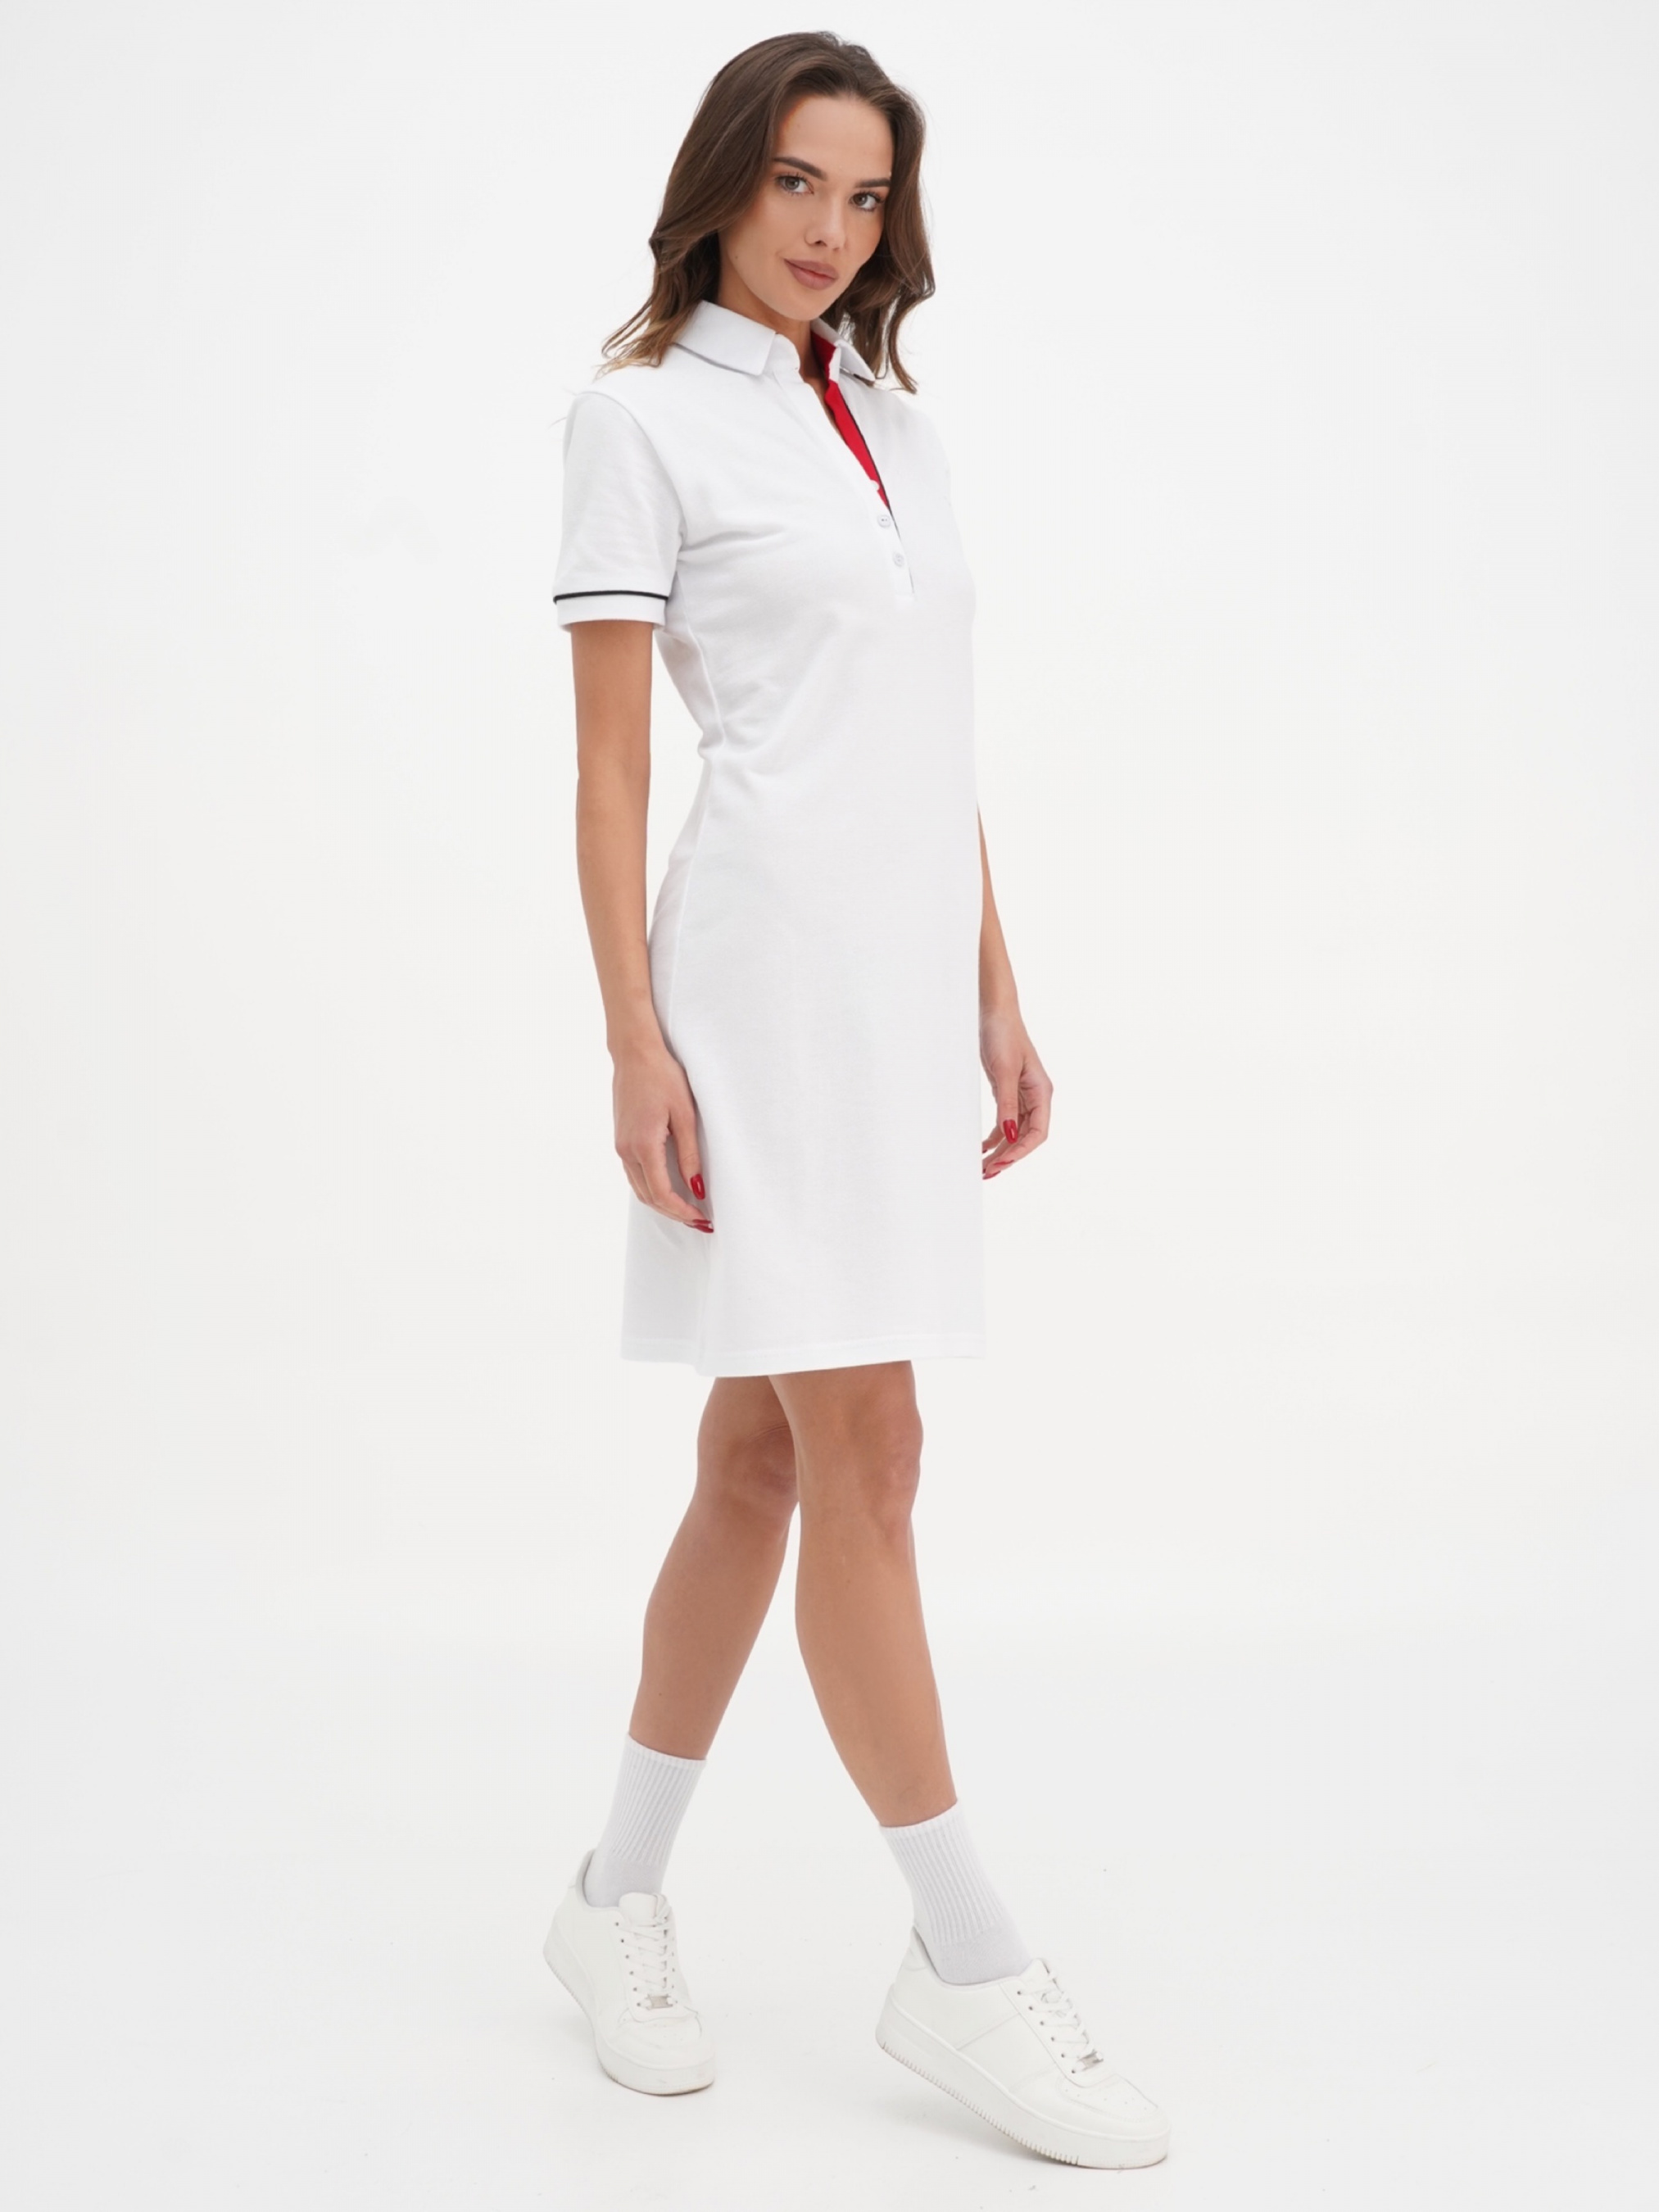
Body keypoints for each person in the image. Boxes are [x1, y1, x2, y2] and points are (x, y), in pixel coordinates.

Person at [542, 32, 1170, 2171]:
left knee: (758, 1458)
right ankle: (970, 1965)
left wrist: (994, 986)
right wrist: (632, 1038)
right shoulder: (637, 418)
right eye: (797, 181)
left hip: (901, 999)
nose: (829, 229)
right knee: (868, 1447)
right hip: (759, 996)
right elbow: (612, 763)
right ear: (724, 180)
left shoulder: (897, 423)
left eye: (866, 194)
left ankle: (611, 1897)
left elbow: (924, 734)